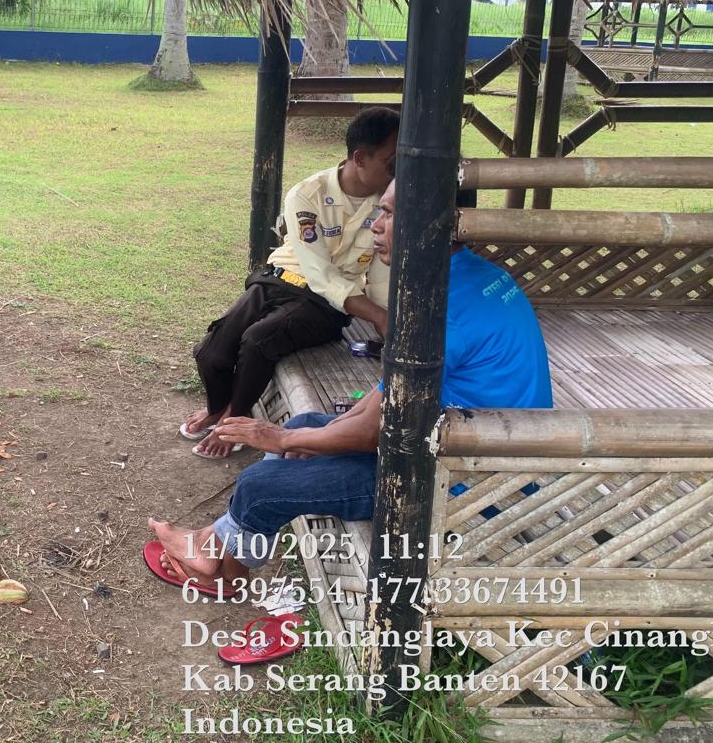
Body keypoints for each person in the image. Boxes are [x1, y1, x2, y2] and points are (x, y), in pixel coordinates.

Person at [147, 178, 553, 590]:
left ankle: (224, 575)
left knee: (262, 484)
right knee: (303, 424)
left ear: (433, 223)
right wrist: (301, 437)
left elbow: (371, 430)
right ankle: (211, 545)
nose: (376, 224)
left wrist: (280, 438)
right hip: (456, 445)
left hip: (463, 482)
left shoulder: (436, 313)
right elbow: (385, 398)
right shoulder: (472, 277)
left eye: (389, 213)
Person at [184, 107, 399, 459]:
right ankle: (218, 408)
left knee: (258, 341)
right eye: (391, 162)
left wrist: (385, 320)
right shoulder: (308, 194)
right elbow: (317, 271)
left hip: (326, 305)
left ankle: (235, 419)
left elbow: (379, 276)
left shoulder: (389, 204)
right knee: (212, 353)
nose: (399, 171)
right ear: (360, 158)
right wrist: (378, 315)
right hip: (277, 281)